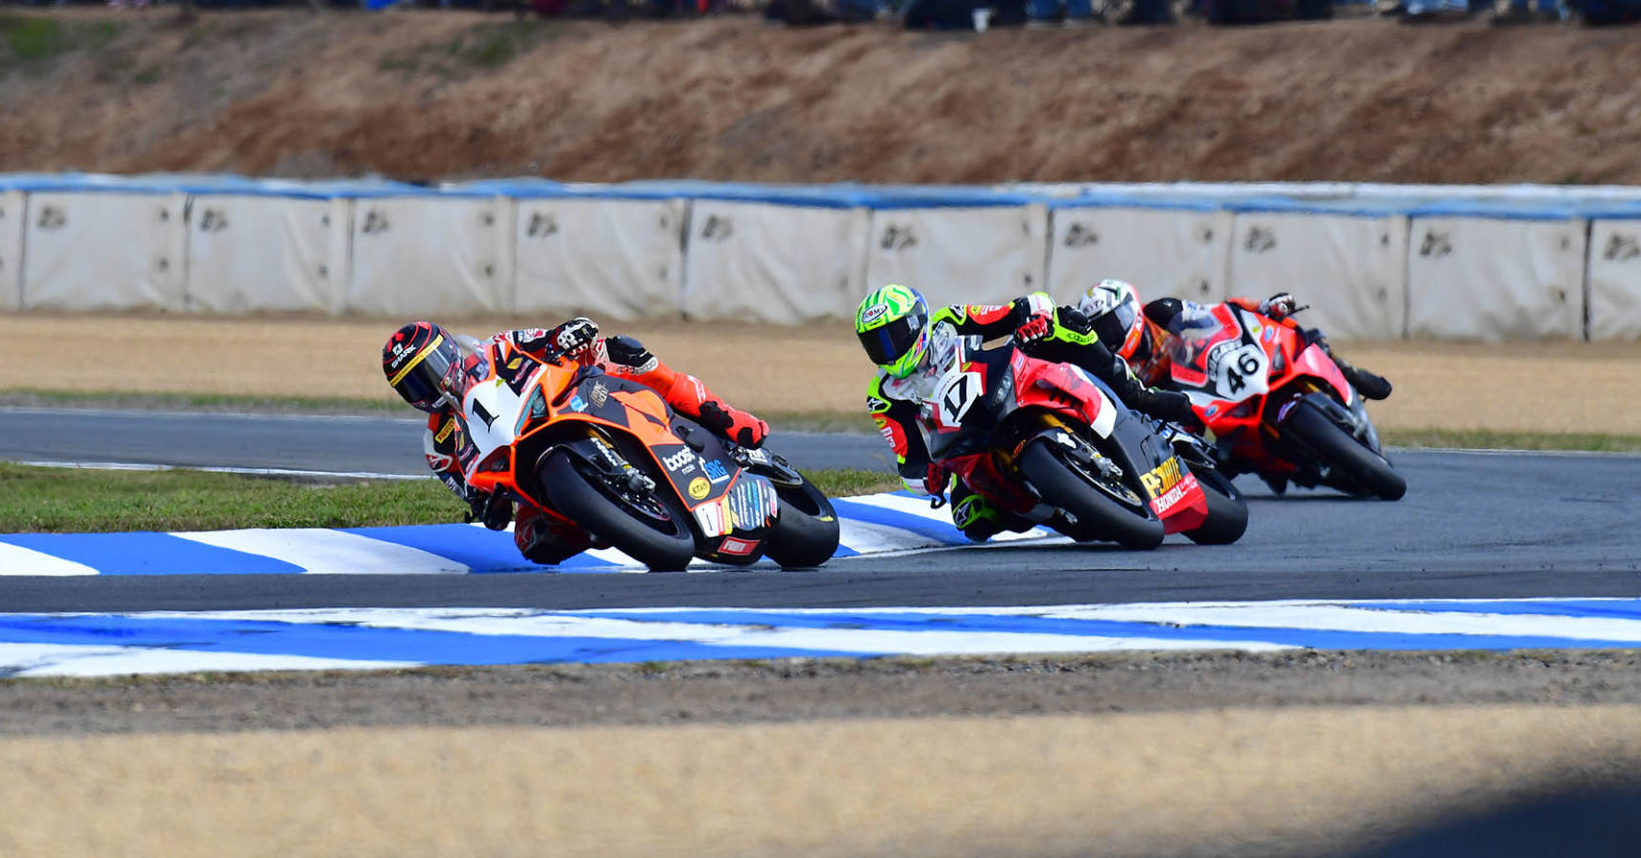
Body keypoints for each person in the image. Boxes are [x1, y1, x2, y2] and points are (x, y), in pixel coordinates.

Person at [382, 317, 769, 565]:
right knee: (533, 543)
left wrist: (566, 335)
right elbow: (465, 491)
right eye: (415, 383)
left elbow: (547, 339)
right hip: (522, 467)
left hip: (565, 403)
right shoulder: (438, 444)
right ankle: (611, 519)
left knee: (627, 354)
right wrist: (487, 506)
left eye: (429, 369)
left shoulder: (496, 348)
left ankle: (728, 419)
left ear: (449, 350)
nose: (430, 383)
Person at [852, 283, 1195, 542]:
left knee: (1065, 323)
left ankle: (1138, 396)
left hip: (1006, 384)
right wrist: (928, 477)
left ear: (917, 322)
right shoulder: (882, 395)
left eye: (893, 335)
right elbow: (907, 456)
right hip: (967, 443)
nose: (887, 349)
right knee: (972, 520)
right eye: (875, 343)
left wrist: (1033, 317)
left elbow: (1009, 313)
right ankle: (1060, 510)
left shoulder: (949, 321)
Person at [1075, 281, 1393, 401]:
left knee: (1290, 330)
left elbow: (1218, 313)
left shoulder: (1160, 312)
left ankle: (1345, 370)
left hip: (1218, 366)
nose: (1112, 333)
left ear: (1131, 308)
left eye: (1115, 322)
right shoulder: (1115, 366)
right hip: (1195, 407)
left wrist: (1265, 309)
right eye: (1104, 330)